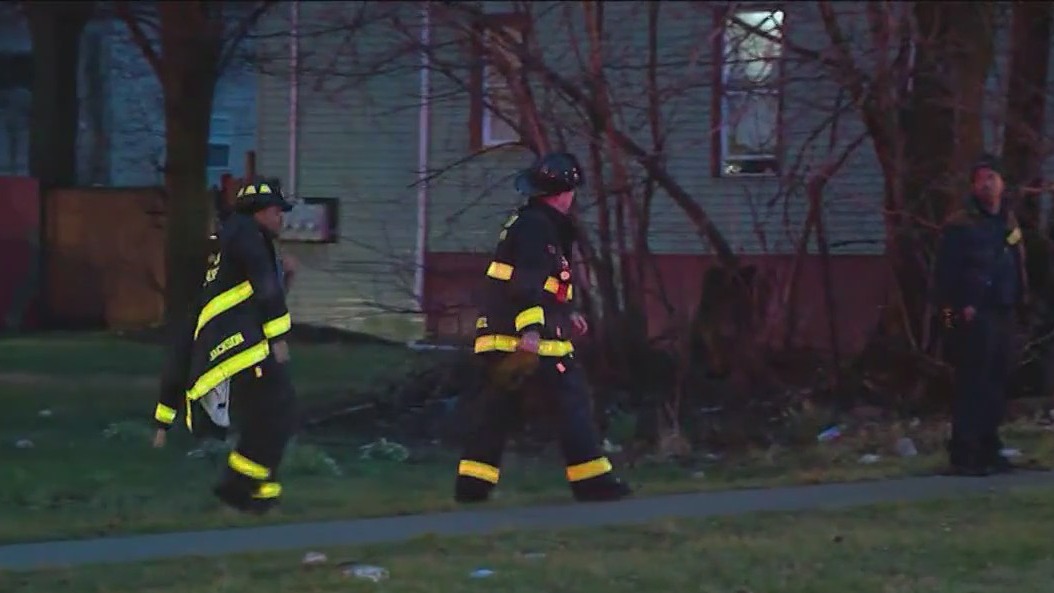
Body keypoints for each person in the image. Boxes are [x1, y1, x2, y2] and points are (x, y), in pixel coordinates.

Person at [455, 151, 632, 503]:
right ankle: (592, 483)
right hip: (529, 340)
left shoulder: (530, 222)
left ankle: (472, 487)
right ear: (564, 192)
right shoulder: (539, 227)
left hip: (502, 336)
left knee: (496, 412)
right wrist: (532, 332)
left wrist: (566, 312)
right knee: (573, 404)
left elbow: (542, 283)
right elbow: (527, 282)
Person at [151, 178, 299, 514]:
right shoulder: (249, 236)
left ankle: (260, 494)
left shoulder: (230, 242)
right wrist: (278, 340)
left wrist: (164, 419)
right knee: (276, 415)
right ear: (259, 211)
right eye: (277, 211)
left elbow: (252, 298)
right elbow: (265, 289)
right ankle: (238, 488)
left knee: (271, 419)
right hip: (239, 353)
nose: (281, 219)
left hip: (224, 357)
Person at [934, 154, 1029, 476]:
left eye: (993, 177)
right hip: (974, 315)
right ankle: (965, 452)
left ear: (1002, 183)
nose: (988, 183)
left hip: (1005, 310)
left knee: (997, 383)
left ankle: (990, 447)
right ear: (973, 185)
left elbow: (1017, 263)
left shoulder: (1008, 223)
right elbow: (944, 281)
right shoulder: (961, 226)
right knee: (972, 383)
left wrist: (1022, 302)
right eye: (981, 178)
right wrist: (950, 321)